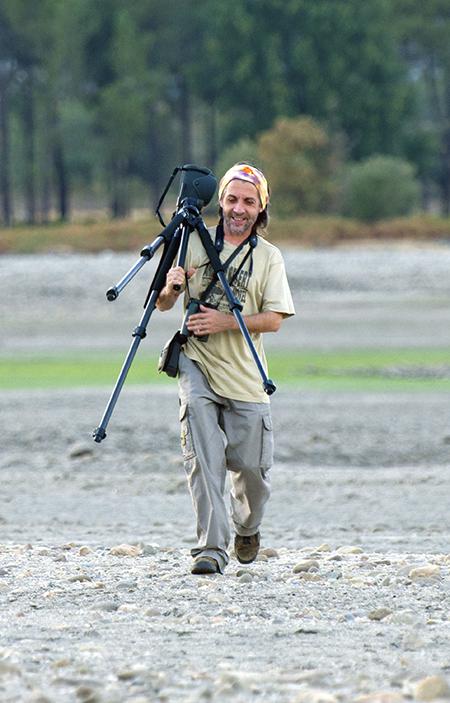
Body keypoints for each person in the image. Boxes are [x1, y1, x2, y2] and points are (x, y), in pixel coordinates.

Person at [156, 163, 295, 575]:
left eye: (248, 201)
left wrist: (225, 322)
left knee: (251, 471)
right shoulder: (193, 244)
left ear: (261, 207)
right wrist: (173, 287)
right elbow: (162, 304)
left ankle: (247, 528)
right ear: (221, 202)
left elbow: (273, 319)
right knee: (203, 459)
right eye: (232, 199)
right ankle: (210, 550)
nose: (238, 208)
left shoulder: (269, 258)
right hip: (196, 364)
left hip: (247, 377)